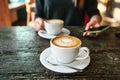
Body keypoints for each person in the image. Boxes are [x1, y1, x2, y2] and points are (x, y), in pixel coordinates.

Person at [34, 0, 102, 37]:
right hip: (48, 37)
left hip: (76, 37)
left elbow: (94, 12)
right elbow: (38, 15)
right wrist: (38, 22)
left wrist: (95, 20)